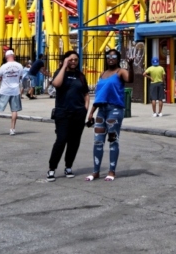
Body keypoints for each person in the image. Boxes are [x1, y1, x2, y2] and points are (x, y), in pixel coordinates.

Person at [86, 49, 131, 181]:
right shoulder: (103, 74)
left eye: (113, 56)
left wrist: (131, 66)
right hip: (101, 110)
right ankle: (96, 171)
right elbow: (100, 95)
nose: (110, 58)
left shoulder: (120, 72)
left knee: (112, 140)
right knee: (98, 141)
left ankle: (112, 171)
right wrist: (91, 112)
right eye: (108, 56)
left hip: (115, 110)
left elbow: (130, 79)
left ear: (118, 59)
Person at [48, 50, 90, 181]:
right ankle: (52, 168)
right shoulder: (60, 73)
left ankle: (68, 166)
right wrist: (64, 66)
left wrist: (85, 109)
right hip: (63, 112)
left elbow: (86, 94)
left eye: (76, 60)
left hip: (78, 113)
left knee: (74, 142)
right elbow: (56, 84)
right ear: (65, 60)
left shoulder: (81, 76)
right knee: (61, 140)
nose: (73, 62)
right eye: (70, 59)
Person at [0, 49, 24, 135]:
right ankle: (12, 129)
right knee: (14, 110)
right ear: (13, 56)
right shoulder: (20, 66)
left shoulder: (4, 66)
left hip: (5, 90)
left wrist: (2, 78)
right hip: (15, 90)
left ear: (6, 57)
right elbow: (20, 77)